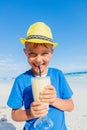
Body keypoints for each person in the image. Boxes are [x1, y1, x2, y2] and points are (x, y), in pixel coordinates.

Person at [7, 22, 74, 130]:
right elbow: (15, 114)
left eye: (44, 53)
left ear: (51, 52)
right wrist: (30, 113)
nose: (38, 59)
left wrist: (53, 100)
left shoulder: (58, 75)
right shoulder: (21, 81)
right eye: (32, 53)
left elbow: (70, 106)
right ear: (25, 52)